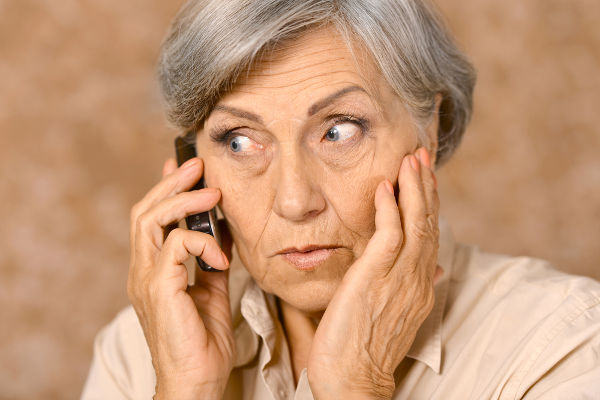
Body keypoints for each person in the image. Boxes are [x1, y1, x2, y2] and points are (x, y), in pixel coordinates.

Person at [81, 0, 600, 399]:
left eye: (340, 131)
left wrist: (357, 386)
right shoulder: (140, 351)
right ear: (194, 164)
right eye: (239, 141)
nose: (293, 200)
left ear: (430, 130)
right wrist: (185, 393)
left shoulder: (562, 346)